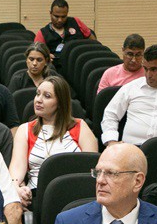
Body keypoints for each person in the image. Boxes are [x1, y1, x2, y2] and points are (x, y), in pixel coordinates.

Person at [9, 75, 98, 208]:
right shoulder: (25, 130)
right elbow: (16, 169)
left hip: (76, 194)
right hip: (39, 195)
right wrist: (17, 187)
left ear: (60, 103)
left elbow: (91, 169)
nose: (38, 100)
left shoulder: (80, 127)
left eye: (47, 96)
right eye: (37, 94)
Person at [34, 0, 96, 65]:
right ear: (50, 13)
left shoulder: (76, 22)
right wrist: (46, 56)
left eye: (63, 17)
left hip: (80, 63)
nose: (60, 20)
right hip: (57, 66)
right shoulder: (43, 33)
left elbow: (93, 41)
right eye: (56, 16)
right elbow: (36, 54)